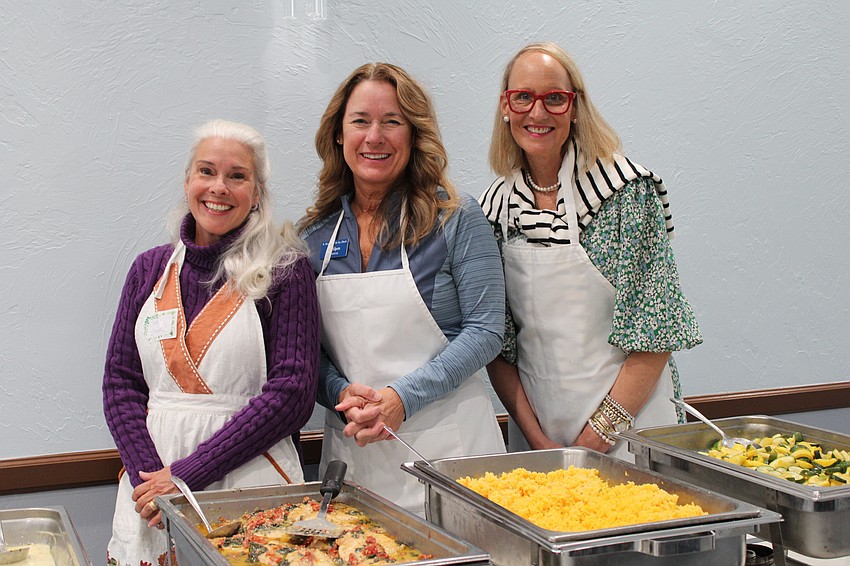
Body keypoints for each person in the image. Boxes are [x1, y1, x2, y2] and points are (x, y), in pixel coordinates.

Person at [102, 119, 320, 565]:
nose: (218, 187)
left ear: (257, 192)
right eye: (206, 171)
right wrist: (153, 482)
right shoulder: (149, 270)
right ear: (187, 182)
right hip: (151, 490)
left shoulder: (285, 269)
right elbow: (120, 383)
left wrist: (185, 476)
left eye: (237, 176)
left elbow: (293, 393)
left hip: (251, 478)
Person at [300, 62, 506, 514]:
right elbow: (305, 352)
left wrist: (401, 400)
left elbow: (487, 328)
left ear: (414, 134)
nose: (375, 137)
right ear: (338, 134)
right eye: (360, 121)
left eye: (392, 122)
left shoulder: (455, 217)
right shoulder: (314, 236)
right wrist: (338, 393)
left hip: (453, 455)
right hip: (356, 459)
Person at [479, 42, 702, 460]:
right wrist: (539, 443)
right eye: (523, 96)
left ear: (576, 106)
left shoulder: (625, 194)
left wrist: (593, 443)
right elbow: (499, 346)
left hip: (632, 430)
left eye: (555, 99)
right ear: (505, 106)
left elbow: (656, 334)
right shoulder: (495, 209)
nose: (538, 112)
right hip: (540, 436)